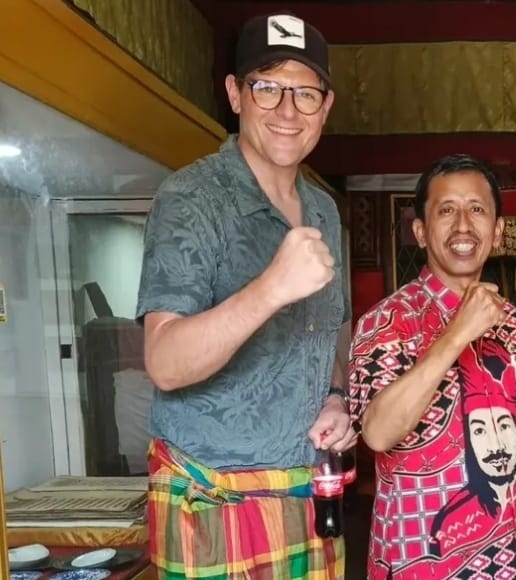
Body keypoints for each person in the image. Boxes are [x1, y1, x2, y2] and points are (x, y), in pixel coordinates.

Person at [136, 12, 356, 579]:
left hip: (307, 493)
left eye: (305, 93)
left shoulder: (324, 211)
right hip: (213, 503)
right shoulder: (191, 197)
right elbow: (164, 362)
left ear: (326, 107)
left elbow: (328, 335)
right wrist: (270, 288)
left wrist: (336, 397)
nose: (288, 110)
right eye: (267, 87)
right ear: (236, 94)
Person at [347, 154, 516, 579]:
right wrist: (456, 335)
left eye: (477, 209)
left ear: (497, 232)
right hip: (419, 561)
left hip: (507, 562)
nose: (463, 225)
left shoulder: (512, 322)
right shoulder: (387, 321)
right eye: (446, 210)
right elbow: (378, 433)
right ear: (420, 231)